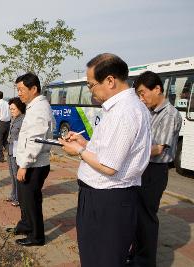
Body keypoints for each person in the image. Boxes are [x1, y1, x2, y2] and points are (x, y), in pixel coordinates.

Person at [59, 53, 151, 267]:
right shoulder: (123, 107)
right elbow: (110, 151)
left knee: (101, 259)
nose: (90, 90)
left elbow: (109, 166)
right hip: (105, 198)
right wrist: (85, 144)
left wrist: (79, 152)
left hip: (107, 200)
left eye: (91, 85)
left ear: (110, 80)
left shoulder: (124, 112)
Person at [131, 71, 182, 267]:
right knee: (137, 216)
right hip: (143, 168)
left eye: (143, 93)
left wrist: (131, 151)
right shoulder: (149, 112)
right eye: (139, 95)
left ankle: (145, 262)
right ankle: (136, 255)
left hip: (155, 172)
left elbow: (159, 148)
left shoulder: (169, 114)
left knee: (146, 218)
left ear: (157, 89)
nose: (141, 99)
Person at [6, 72, 53, 247]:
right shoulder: (34, 106)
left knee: (31, 201)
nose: (19, 93)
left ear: (33, 89)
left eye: (21, 89)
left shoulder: (39, 109)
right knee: (25, 199)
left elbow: (36, 140)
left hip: (34, 164)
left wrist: (24, 165)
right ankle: (25, 225)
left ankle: (37, 236)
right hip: (28, 162)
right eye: (17, 89)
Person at [6, 97, 26, 207]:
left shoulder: (24, 119)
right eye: (10, 109)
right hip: (10, 149)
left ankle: (19, 198)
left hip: (17, 151)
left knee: (17, 174)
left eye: (13, 109)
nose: (11, 111)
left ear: (20, 108)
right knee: (12, 174)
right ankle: (13, 194)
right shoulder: (14, 118)